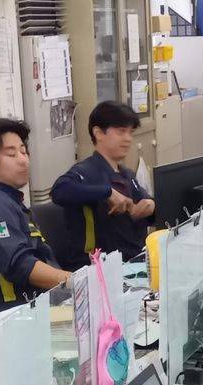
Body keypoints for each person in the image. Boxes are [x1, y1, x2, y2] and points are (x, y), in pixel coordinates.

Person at [0, 119, 70, 319]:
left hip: (37, 308)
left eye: (23, 152)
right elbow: (20, 265)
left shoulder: (9, 201)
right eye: (11, 154)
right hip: (10, 319)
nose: (23, 160)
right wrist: (75, 281)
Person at [51, 101, 155, 269]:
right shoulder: (85, 172)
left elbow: (145, 204)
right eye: (121, 131)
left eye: (131, 132)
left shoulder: (126, 174)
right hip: (99, 268)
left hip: (135, 261)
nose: (128, 139)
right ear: (98, 133)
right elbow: (59, 191)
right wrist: (108, 193)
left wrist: (149, 206)